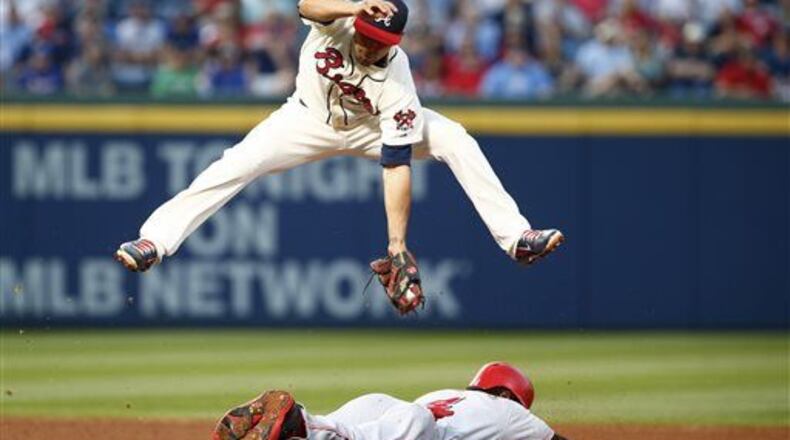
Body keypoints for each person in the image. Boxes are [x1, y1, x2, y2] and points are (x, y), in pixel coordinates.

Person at [114, 0, 564, 307]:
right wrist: (354, 8)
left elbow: (396, 166)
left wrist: (397, 244)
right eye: (365, 34)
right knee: (235, 164)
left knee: (455, 139)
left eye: (376, 40)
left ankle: (515, 238)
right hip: (305, 119)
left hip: (373, 129)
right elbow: (306, 6)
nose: (365, 43)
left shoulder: (399, 85)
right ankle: (155, 240)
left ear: (395, 43)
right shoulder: (343, 22)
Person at [212, 361, 570, 440]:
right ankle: (299, 422)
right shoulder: (511, 413)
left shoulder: (449, 394)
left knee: (346, 430)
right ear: (507, 394)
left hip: (382, 407)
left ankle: (295, 429)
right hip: (414, 426)